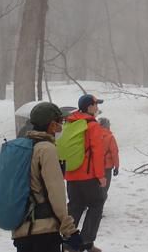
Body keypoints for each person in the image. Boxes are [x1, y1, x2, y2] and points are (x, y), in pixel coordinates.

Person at [13, 102, 85, 252]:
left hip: (21, 230)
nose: (61, 127)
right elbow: (56, 193)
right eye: (61, 122)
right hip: (44, 232)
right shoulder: (47, 150)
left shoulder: (24, 147)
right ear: (52, 125)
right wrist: (69, 230)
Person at [64, 94, 107, 252]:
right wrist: (101, 176)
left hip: (71, 174)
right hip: (88, 175)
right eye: (95, 104)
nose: (97, 107)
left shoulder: (70, 121)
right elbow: (97, 152)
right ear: (89, 107)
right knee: (97, 203)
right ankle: (85, 241)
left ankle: (69, 243)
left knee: (75, 206)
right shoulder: (92, 125)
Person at [98, 117, 120, 194]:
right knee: (104, 188)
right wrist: (116, 167)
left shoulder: (94, 135)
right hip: (106, 167)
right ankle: (100, 202)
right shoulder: (110, 137)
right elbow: (115, 153)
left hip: (94, 166)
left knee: (95, 187)